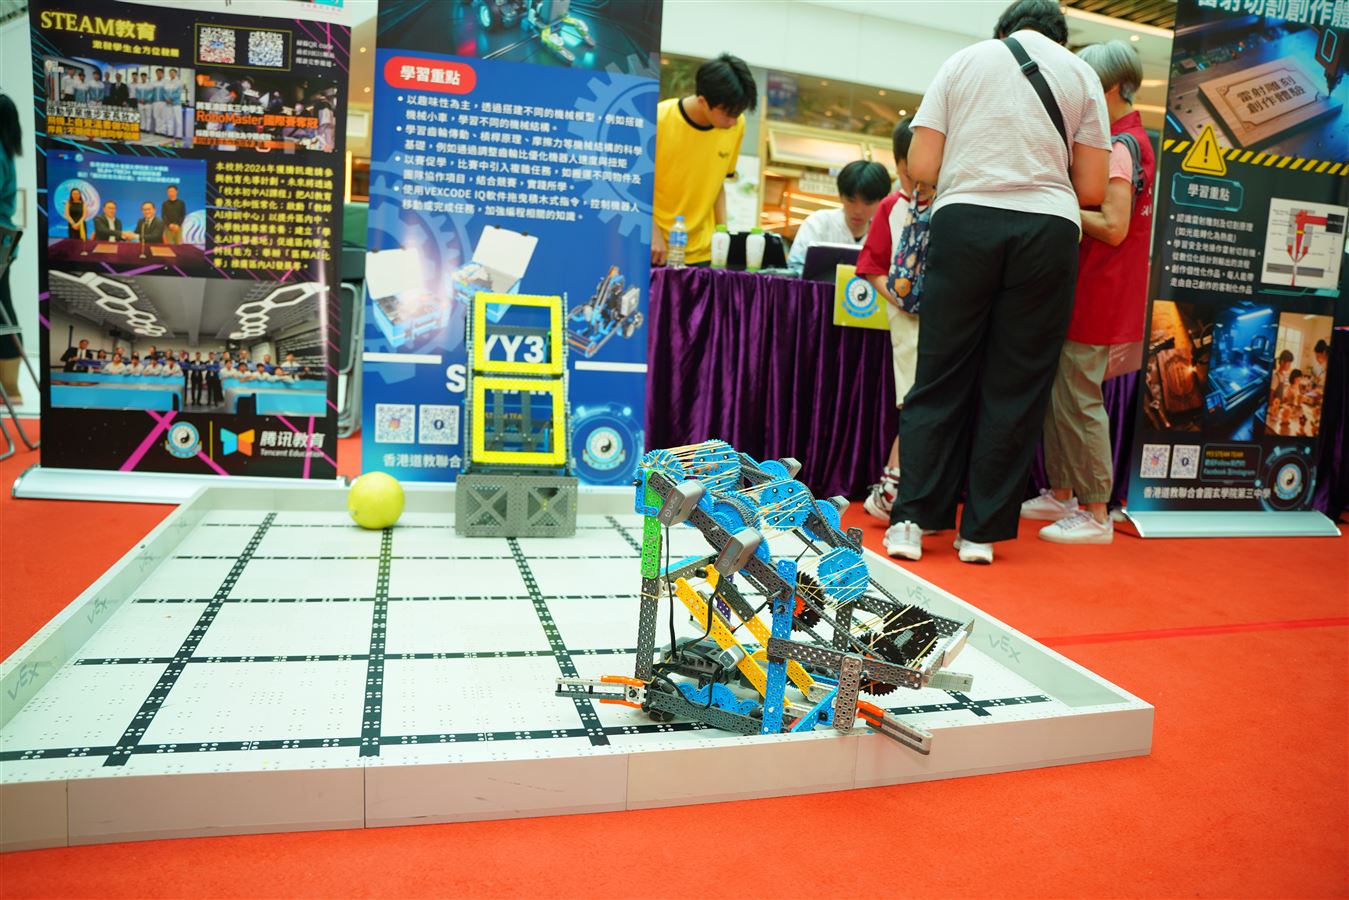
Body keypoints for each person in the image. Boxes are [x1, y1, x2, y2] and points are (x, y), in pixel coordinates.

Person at [884, 0, 1110, 565]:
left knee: (940, 374)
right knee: (1017, 384)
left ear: (1003, 30)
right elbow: (1092, 188)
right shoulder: (1081, 74)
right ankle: (980, 534)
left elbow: (923, 165)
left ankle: (912, 521)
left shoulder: (965, 61)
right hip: (1049, 230)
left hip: (967, 221)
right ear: (1061, 38)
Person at [1023, 40, 1156, 546]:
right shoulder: (1124, 141)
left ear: (1113, 87)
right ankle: (1063, 492)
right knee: (1063, 394)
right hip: (1088, 287)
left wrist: (1058, 204)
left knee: (1079, 398)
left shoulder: (1122, 146)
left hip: (1100, 289)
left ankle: (1097, 511)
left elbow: (1115, 227)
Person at [856, 118, 932, 521]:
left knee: (928, 402)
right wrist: (902, 299)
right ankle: (891, 487)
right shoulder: (891, 206)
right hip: (907, 318)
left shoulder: (945, 203)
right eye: (907, 172)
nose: (915, 180)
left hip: (942, 317)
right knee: (915, 401)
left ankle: (899, 488)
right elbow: (871, 267)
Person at [651, 53, 756, 266]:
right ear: (702, 101)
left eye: (738, 113)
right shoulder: (659, 119)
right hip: (657, 248)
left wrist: (723, 237)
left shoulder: (737, 126)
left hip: (704, 253)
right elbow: (634, 186)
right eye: (728, 114)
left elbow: (718, 183)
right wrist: (651, 232)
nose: (733, 122)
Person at [787, 160, 891, 272]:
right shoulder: (818, 224)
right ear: (841, 196)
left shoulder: (887, 233)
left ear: (882, 201)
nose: (858, 210)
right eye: (851, 200)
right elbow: (794, 267)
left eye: (868, 203)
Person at [0, 94, 19, 404]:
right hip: (4, 242)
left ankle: (10, 388)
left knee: (4, 313)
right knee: (4, 309)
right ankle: (11, 388)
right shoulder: (6, 151)